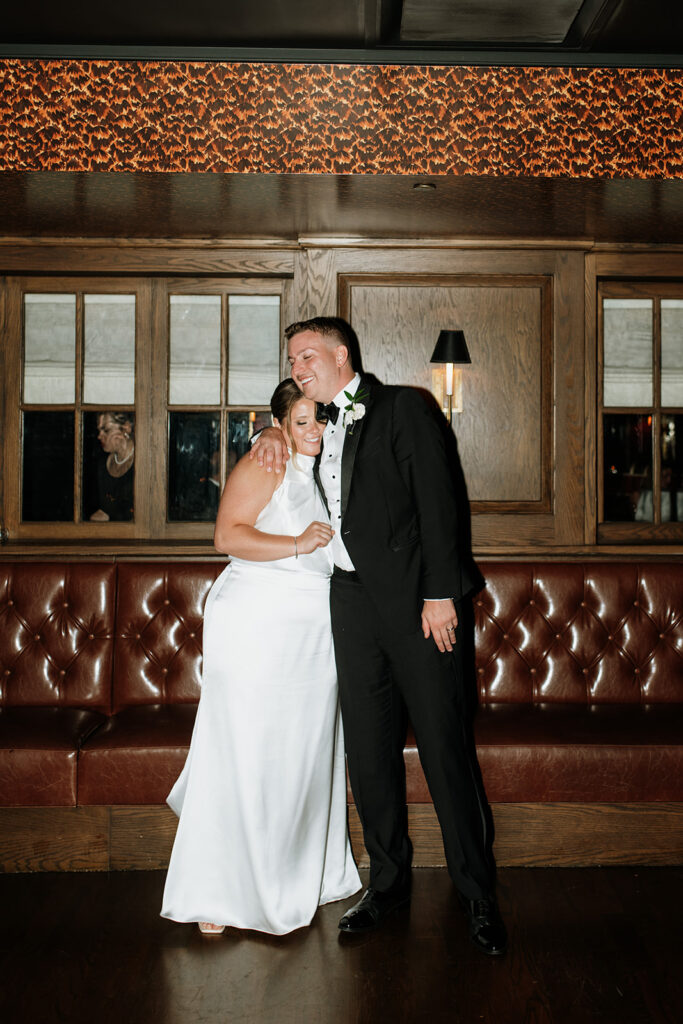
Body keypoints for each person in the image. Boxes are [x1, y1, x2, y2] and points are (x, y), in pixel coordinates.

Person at [251, 317, 507, 956]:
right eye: (292, 358)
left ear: (342, 355)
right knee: (367, 755)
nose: (298, 365)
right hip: (351, 606)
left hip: (421, 607)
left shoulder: (404, 408)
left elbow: (441, 502)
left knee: (446, 752)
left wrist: (442, 593)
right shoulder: (313, 418)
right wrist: (267, 434)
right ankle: (387, 882)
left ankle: (478, 894)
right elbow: (287, 442)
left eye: (307, 354)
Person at [161, 379, 360, 936]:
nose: (314, 430)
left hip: (313, 634)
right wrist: (298, 542)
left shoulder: (328, 462)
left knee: (301, 756)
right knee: (244, 751)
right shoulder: (265, 460)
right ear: (279, 423)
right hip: (256, 623)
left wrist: (284, 430)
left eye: (320, 418)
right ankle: (218, 890)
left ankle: (303, 876)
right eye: (300, 421)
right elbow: (227, 535)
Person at [89, 411, 134, 521]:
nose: (100, 436)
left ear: (126, 428)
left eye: (106, 430)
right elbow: (105, 512)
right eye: (99, 430)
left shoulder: (143, 462)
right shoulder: (102, 465)